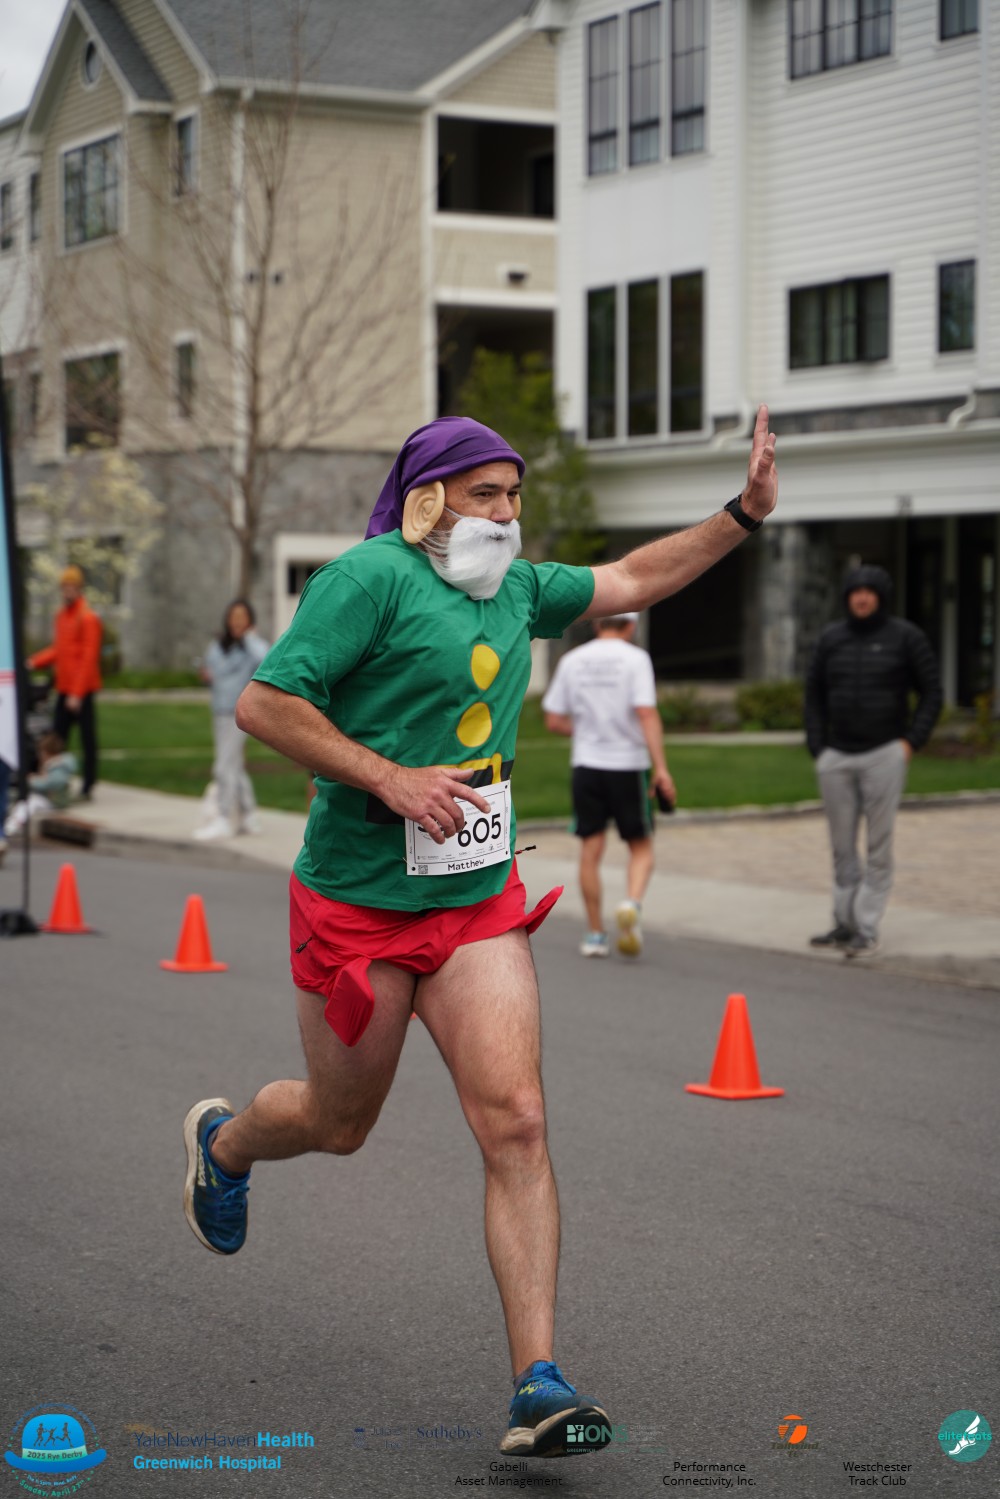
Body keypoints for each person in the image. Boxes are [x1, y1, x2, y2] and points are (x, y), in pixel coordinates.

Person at [181, 407, 778, 1459]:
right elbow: (268, 706)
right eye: (484, 495)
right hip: (359, 903)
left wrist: (742, 514)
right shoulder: (367, 578)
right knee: (338, 1120)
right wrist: (389, 776)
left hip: (473, 900)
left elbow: (634, 577)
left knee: (519, 1122)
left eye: (514, 496)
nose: (505, 515)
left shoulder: (520, 588)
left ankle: (537, 1382)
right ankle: (224, 1145)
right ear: (427, 501)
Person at [805, 562, 942, 958]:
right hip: (836, 756)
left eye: (869, 591)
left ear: (881, 597)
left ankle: (865, 928)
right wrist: (818, 746)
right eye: (855, 591)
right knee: (841, 847)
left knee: (878, 846)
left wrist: (911, 743)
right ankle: (843, 922)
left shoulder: (906, 637)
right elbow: (813, 694)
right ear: (847, 597)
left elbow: (932, 692)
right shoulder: (831, 638)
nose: (862, 597)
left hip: (884, 754)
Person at [542, 613, 675, 959]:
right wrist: (661, 768)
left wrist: (586, 733)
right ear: (631, 626)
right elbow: (646, 713)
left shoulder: (573, 660)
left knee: (590, 849)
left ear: (598, 624)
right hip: (628, 765)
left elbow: (553, 720)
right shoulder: (636, 659)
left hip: (587, 764)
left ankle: (595, 934)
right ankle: (631, 904)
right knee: (640, 847)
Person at [194, 599, 269, 841]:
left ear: (250, 621)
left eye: (242, 617)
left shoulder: (253, 646)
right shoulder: (219, 645)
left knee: (224, 767)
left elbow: (265, 659)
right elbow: (212, 669)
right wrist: (207, 676)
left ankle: (225, 818)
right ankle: (248, 815)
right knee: (234, 766)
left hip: (239, 715)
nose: (237, 622)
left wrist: (249, 638)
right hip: (220, 712)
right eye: (233, 617)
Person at [26, 565, 102, 801]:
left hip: (82, 690)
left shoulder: (87, 617)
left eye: (71, 587)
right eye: (64, 587)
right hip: (63, 686)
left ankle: (88, 786)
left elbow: (88, 657)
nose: (67, 592)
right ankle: (54, 782)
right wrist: (33, 662)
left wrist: (77, 693)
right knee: (56, 738)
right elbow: (59, 650)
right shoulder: (62, 616)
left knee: (88, 739)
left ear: (79, 589)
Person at [3, 733, 77, 836]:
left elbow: (50, 784)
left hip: (55, 801)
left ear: (47, 753)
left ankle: (11, 827)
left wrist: (32, 780)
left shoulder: (58, 768)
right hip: (48, 798)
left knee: (31, 802)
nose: (39, 755)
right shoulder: (51, 765)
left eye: (41, 752)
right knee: (21, 799)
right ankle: (11, 822)